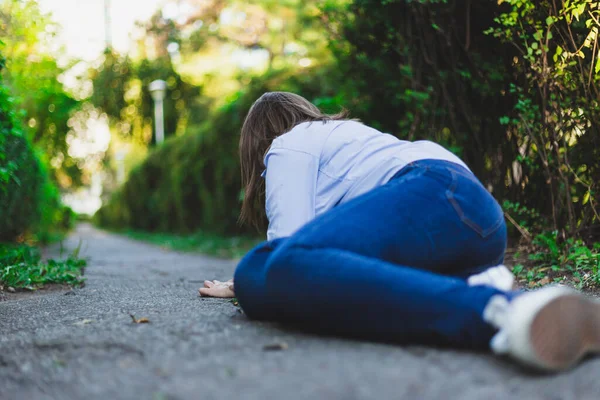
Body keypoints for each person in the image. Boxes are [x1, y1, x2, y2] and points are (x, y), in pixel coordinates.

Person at [199, 91, 600, 372]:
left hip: (434, 192)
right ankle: (477, 282)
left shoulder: (289, 143)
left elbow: (285, 251)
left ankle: (498, 313)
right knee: (320, 283)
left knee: (262, 268)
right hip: (477, 223)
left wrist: (243, 283)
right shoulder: (349, 144)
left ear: (258, 142)